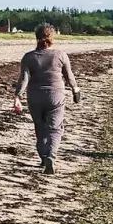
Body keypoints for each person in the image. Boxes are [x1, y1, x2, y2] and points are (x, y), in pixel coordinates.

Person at [13, 23, 81, 173]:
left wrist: (17, 97)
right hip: (56, 96)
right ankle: (51, 155)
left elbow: (23, 80)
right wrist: (76, 90)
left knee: (40, 128)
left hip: (35, 97)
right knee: (55, 129)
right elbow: (69, 77)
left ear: (36, 38)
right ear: (52, 37)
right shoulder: (61, 55)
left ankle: (43, 158)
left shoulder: (28, 57)